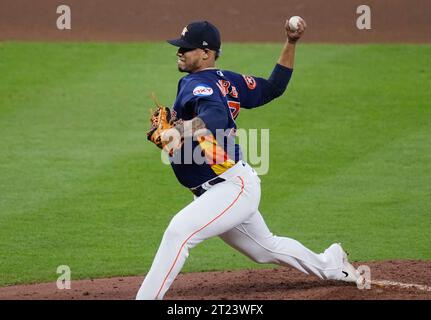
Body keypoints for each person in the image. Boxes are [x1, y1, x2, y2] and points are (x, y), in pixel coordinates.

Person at [136, 18, 359, 300]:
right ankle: (331, 264)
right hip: (224, 188)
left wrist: (179, 130)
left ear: (207, 53)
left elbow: (215, 117)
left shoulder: (197, 85)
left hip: (230, 188)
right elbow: (274, 87)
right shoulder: (228, 80)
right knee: (265, 249)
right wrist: (291, 43)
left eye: (186, 48)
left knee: (178, 233)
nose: (179, 52)